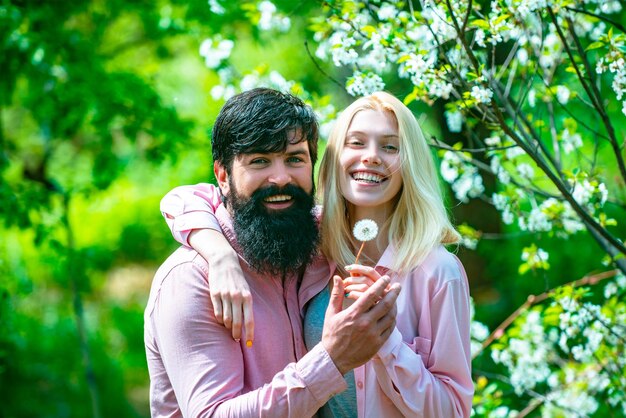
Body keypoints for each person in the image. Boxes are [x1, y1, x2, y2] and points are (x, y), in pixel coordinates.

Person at [160, 91, 474, 417]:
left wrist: (384, 341)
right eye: (259, 160)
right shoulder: (309, 249)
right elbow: (184, 198)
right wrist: (219, 254)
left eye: (294, 159)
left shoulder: (308, 242)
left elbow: (453, 408)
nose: (280, 177)